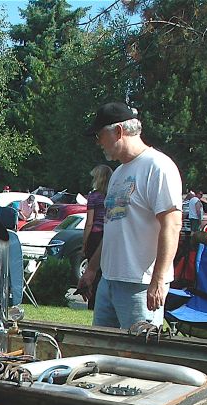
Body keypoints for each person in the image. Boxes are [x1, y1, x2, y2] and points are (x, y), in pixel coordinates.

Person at [76, 102, 183, 330]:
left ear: (118, 131)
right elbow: (113, 228)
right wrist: (92, 269)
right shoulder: (118, 174)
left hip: (141, 286)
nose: (98, 142)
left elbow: (172, 226)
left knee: (139, 352)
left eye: (99, 135)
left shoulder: (158, 167)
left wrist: (158, 280)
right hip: (108, 283)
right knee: (101, 349)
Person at [79, 164, 113, 309]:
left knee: (92, 270)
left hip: (96, 234)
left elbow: (89, 223)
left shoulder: (94, 196)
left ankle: (92, 302)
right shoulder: (112, 196)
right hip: (109, 234)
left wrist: (84, 244)